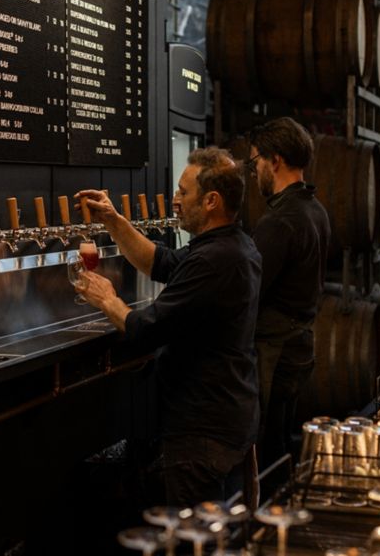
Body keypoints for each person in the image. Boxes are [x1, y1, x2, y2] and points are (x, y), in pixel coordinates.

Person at [74, 147, 261, 507]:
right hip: (230, 414)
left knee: (197, 531)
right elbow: (159, 262)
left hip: (204, 429)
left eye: (183, 192)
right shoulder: (232, 244)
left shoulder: (214, 260)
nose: (175, 200)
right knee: (224, 527)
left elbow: (146, 330)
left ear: (211, 200)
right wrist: (114, 220)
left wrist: (107, 298)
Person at [247, 117, 330, 472]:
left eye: (255, 161)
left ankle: (269, 505)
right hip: (299, 342)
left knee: (265, 446)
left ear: (275, 160)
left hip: (274, 349)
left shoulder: (280, 220)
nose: (254, 171)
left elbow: (250, 290)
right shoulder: (315, 209)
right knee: (281, 438)